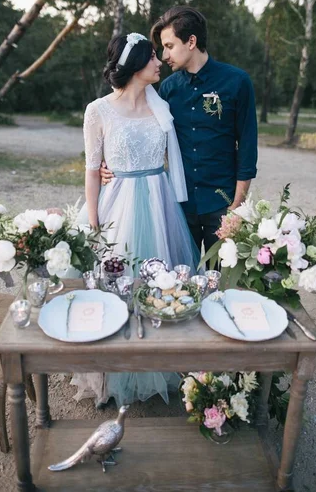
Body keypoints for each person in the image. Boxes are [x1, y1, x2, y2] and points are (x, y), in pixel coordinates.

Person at [72, 32, 199, 407]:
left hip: (159, 203)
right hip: (118, 203)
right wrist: (93, 219)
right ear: (134, 66)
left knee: (160, 285)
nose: (160, 63)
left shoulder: (161, 105)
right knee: (116, 285)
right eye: (153, 59)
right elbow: (92, 169)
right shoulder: (98, 110)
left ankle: (159, 361)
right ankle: (115, 370)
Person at [102, 6, 258, 254]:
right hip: (177, 205)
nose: (164, 56)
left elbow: (248, 147)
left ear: (192, 41)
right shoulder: (167, 89)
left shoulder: (237, 82)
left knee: (221, 282)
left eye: (169, 46)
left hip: (223, 202)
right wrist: (108, 166)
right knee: (179, 281)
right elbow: (143, 135)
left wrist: (237, 204)